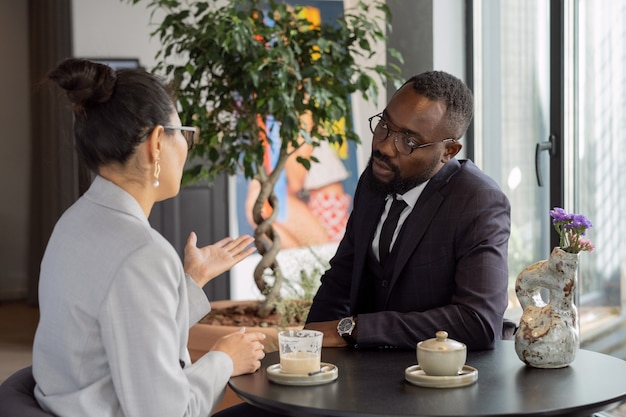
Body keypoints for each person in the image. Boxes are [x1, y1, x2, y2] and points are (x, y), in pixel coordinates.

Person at [32, 58, 266, 417]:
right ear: (157, 142)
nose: (187, 147)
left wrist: (191, 280)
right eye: (184, 133)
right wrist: (223, 359)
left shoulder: (73, 221)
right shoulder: (141, 254)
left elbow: (122, 328)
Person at [304, 70, 512, 351]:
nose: (385, 147)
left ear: (448, 151)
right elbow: (342, 277)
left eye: (409, 142)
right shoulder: (375, 179)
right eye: (384, 126)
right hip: (369, 376)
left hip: (445, 379)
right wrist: (306, 349)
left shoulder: (478, 201)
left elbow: (478, 321)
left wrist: (355, 329)